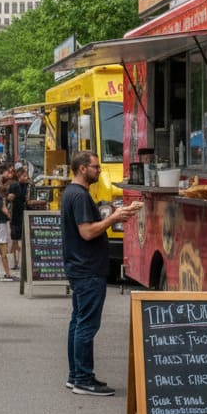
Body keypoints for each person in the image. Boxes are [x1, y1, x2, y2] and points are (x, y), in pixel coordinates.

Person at [61, 152, 141, 396]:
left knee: (78, 321)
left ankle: (76, 375)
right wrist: (114, 218)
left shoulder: (72, 193)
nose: (100, 171)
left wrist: (115, 214)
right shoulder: (80, 195)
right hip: (87, 268)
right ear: (83, 169)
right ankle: (84, 379)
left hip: (80, 267)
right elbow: (86, 232)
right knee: (86, 324)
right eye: (96, 167)